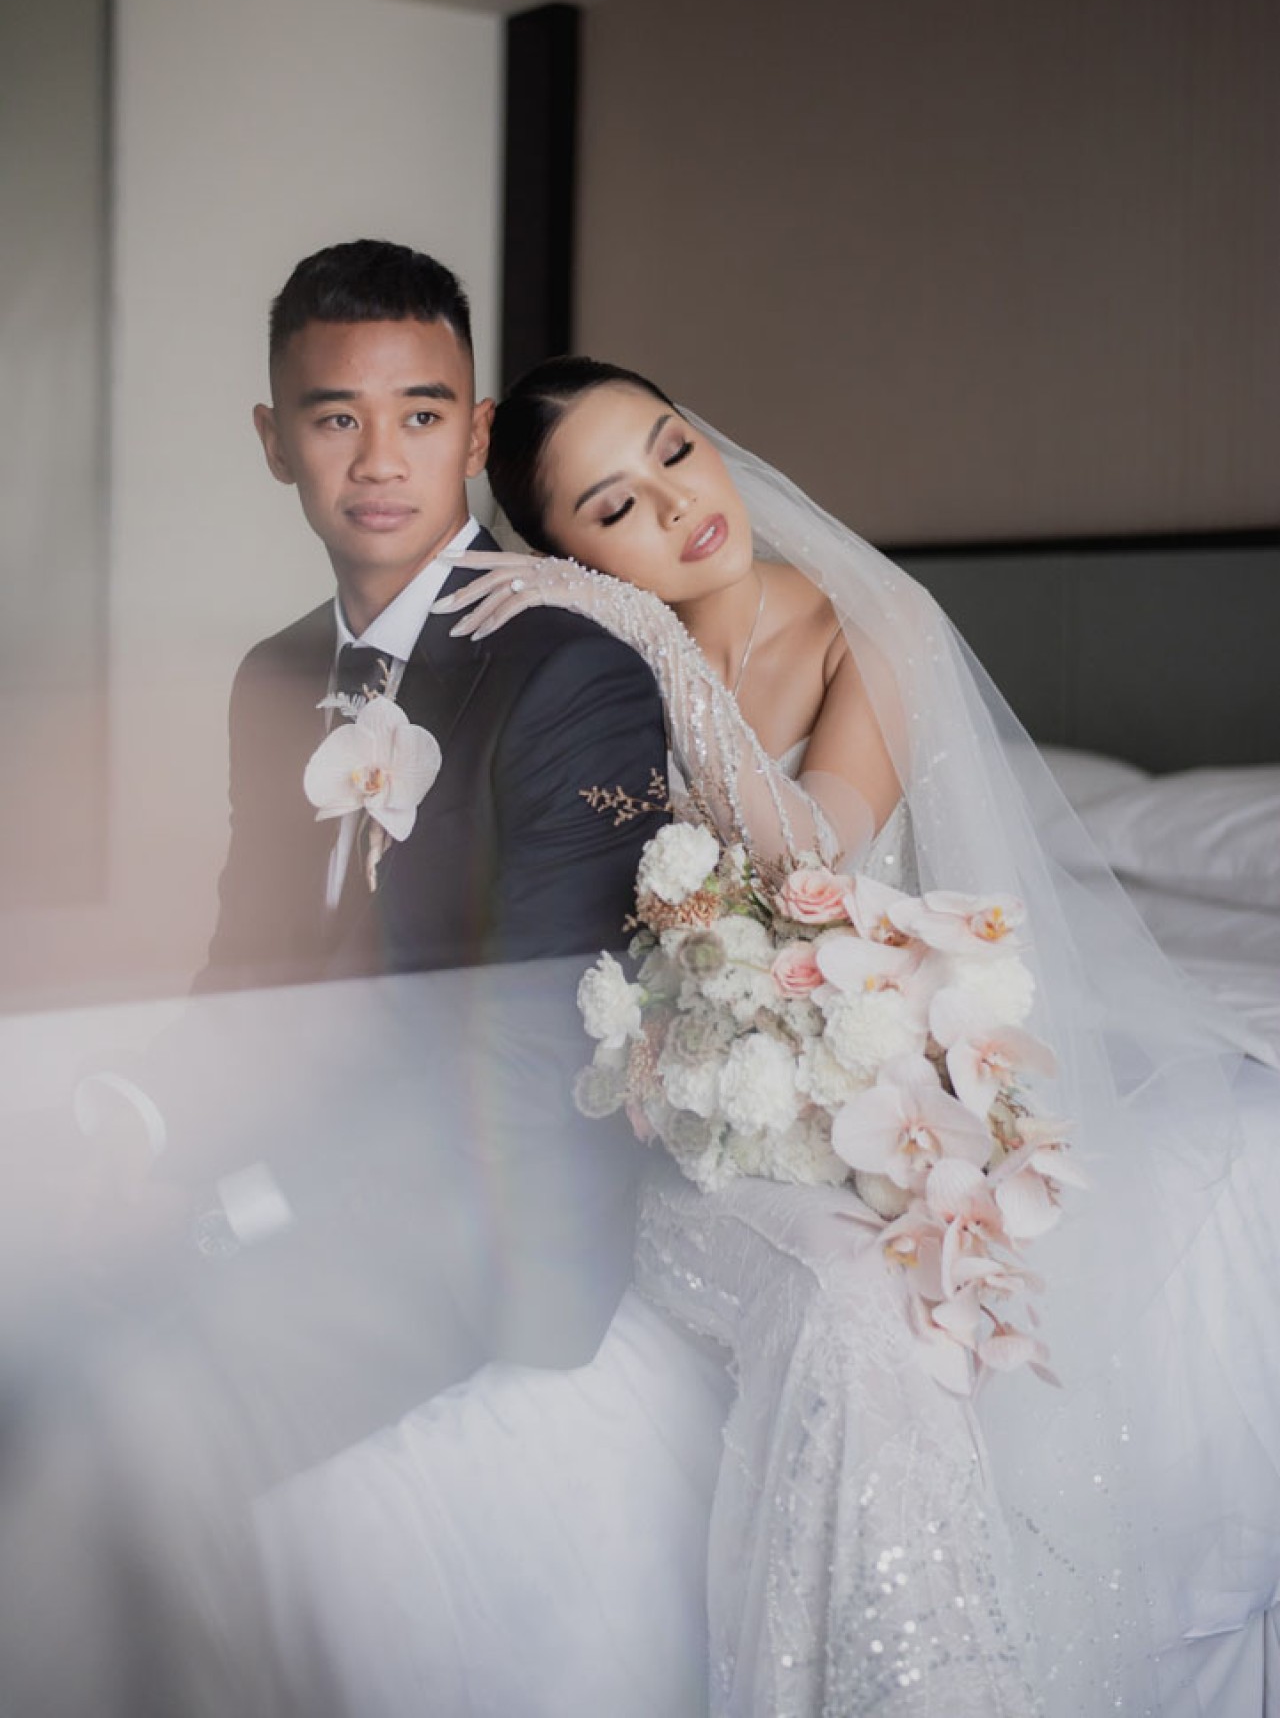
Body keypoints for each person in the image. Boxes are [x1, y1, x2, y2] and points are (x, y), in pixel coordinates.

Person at [258, 356, 1280, 1717]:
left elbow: (808, 859)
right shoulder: (590, 679)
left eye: (673, 451)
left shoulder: (872, 628)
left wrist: (651, 630)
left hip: (859, 1083)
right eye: (615, 508)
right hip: (689, 1100)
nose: (679, 504)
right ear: (570, 556)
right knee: (842, 1299)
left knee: (866, 1304)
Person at [5, 256, 673, 1715]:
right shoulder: (275, 671)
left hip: (482, 1224)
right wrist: (129, 1120)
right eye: (333, 418)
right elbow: (251, 976)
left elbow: (528, 1060)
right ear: (274, 439)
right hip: (308, 1171)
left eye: (420, 415)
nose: (379, 460)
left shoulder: (569, 673)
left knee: (132, 1424)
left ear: (475, 432)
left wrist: (231, 1206)